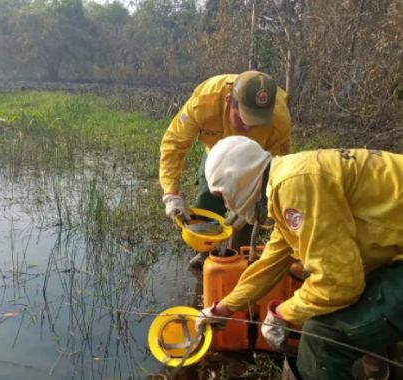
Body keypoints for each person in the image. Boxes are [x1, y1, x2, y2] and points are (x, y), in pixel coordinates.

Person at [198, 135, 403, 380]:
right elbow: (269, 265)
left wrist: (283, 313)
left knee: (322, 335)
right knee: (362, 302)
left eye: (222, 196)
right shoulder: (287, 180)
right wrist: (223, 308)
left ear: (234, 182)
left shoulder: (294, 185)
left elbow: (339, 284)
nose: (227, 204)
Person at [159, 71, 292, 268]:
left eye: (256, 122)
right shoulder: (205, 101)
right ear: (229, 101)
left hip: (253, 161)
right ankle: (205, 255)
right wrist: (171, 193)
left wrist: (257, 203)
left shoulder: (279, 119)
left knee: (248, 216)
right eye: (243, 118)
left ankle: (238, 259)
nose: (248, 127)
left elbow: (277, 169)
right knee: (207, 200)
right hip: (216, 154)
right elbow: (174, 144)